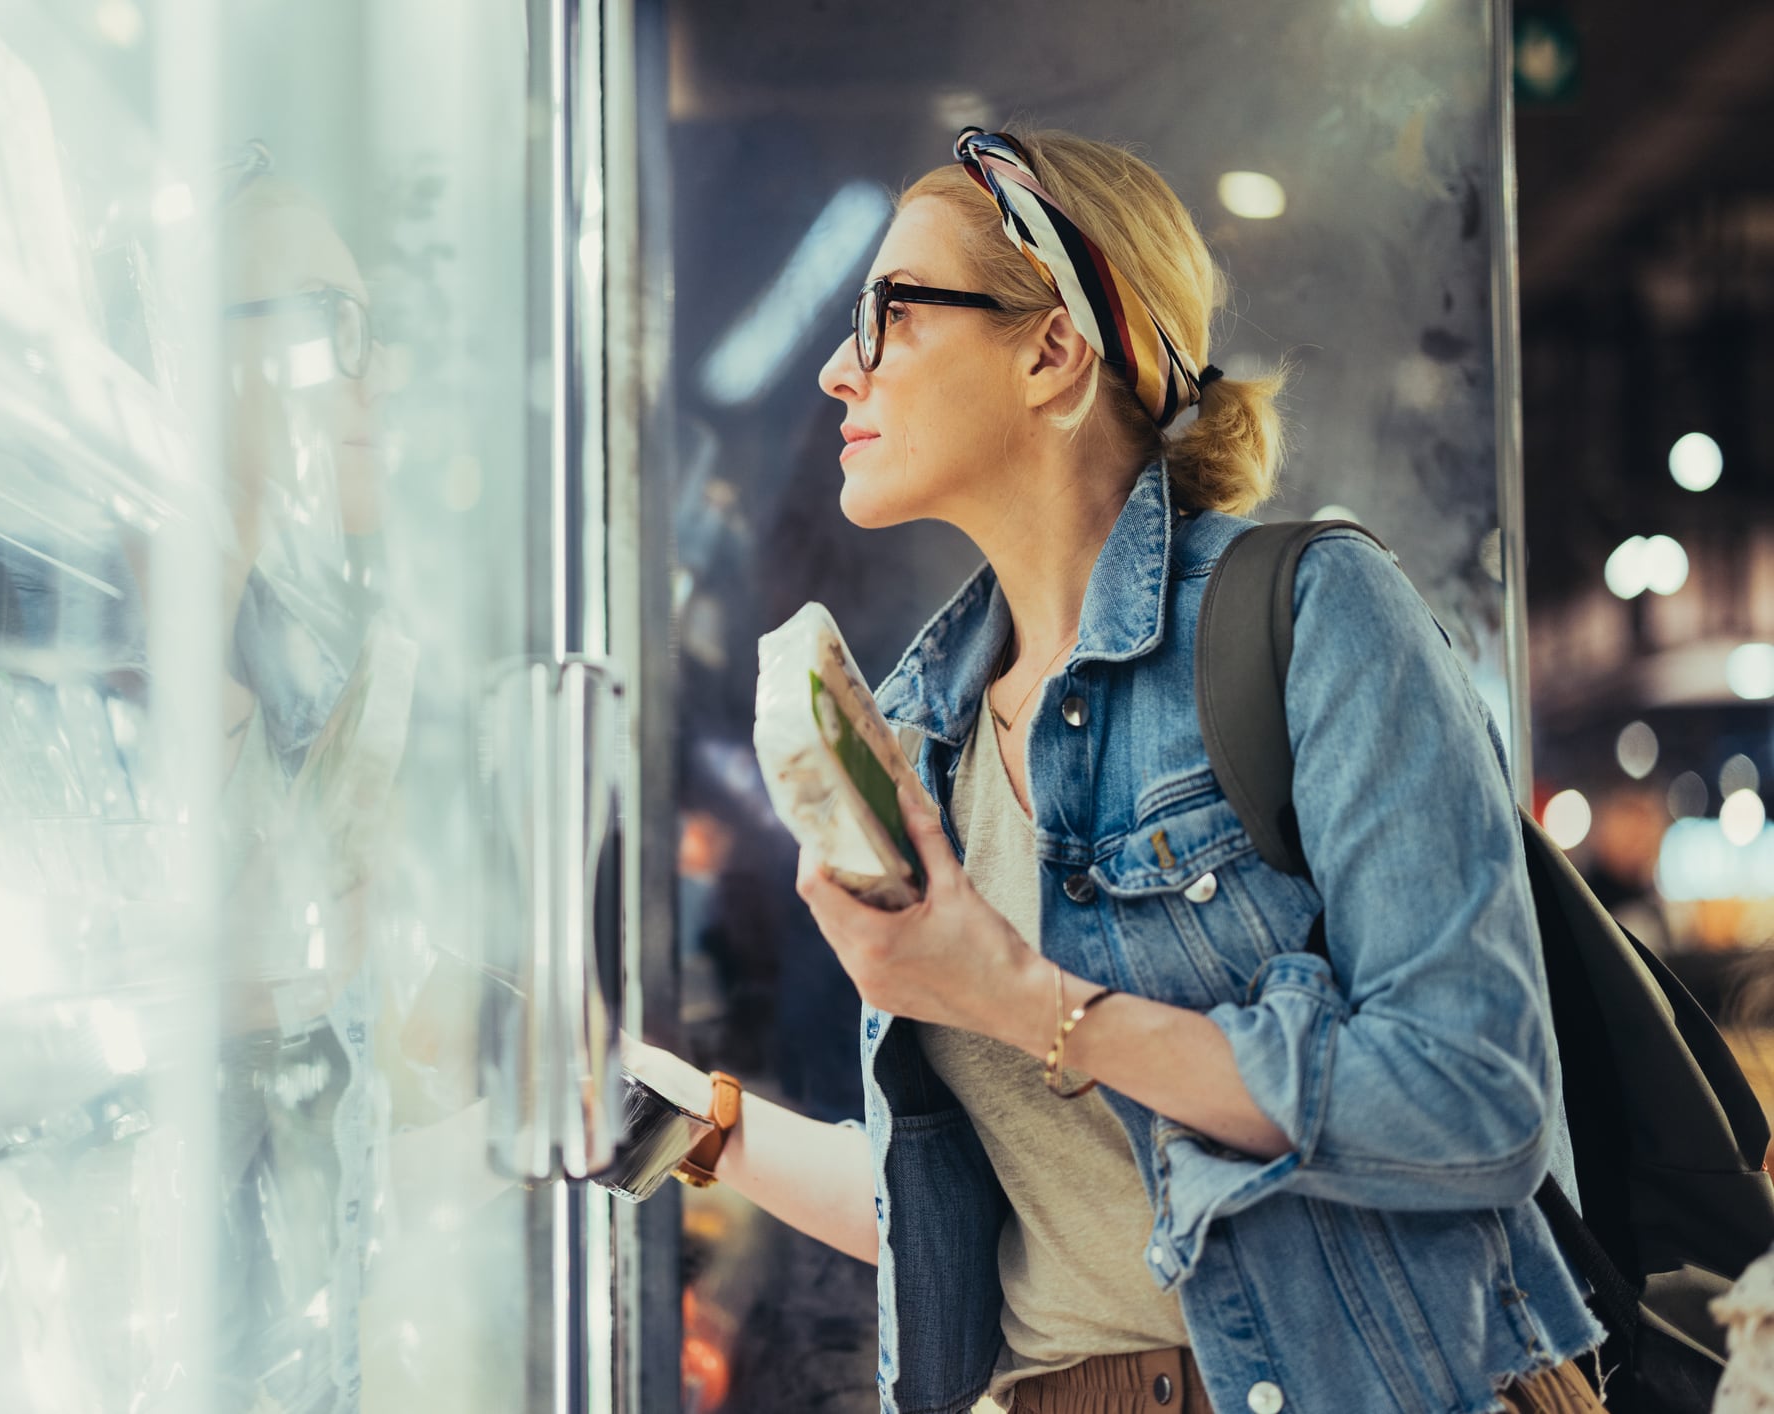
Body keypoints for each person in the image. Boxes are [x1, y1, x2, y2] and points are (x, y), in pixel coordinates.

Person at [625, 127, 1605, 1414]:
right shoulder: (926, 732)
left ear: (1051, 351)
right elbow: (1006, 1218)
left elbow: (1471, 1103)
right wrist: (693, 1121)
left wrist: (1027, 999)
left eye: (889, 314)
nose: (833, 367)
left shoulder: (1314, 617)